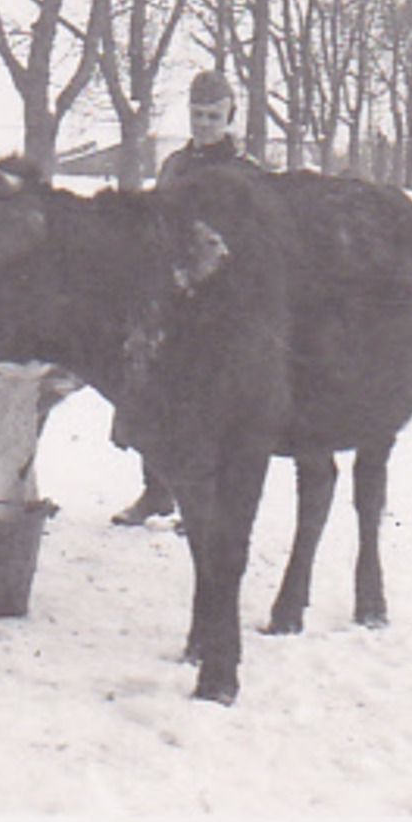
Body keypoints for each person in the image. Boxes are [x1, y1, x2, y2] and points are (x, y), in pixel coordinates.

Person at [111, 68, 262, 528]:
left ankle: (207, 501)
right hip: (172, 299)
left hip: (222, 305)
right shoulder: (174, 166)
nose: (204, 124)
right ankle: (156, 491)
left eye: (214, 115)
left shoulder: (246, 173)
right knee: (156, 393)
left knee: (211, 406)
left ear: (230, 116)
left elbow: (256, 241)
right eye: (197, 115)